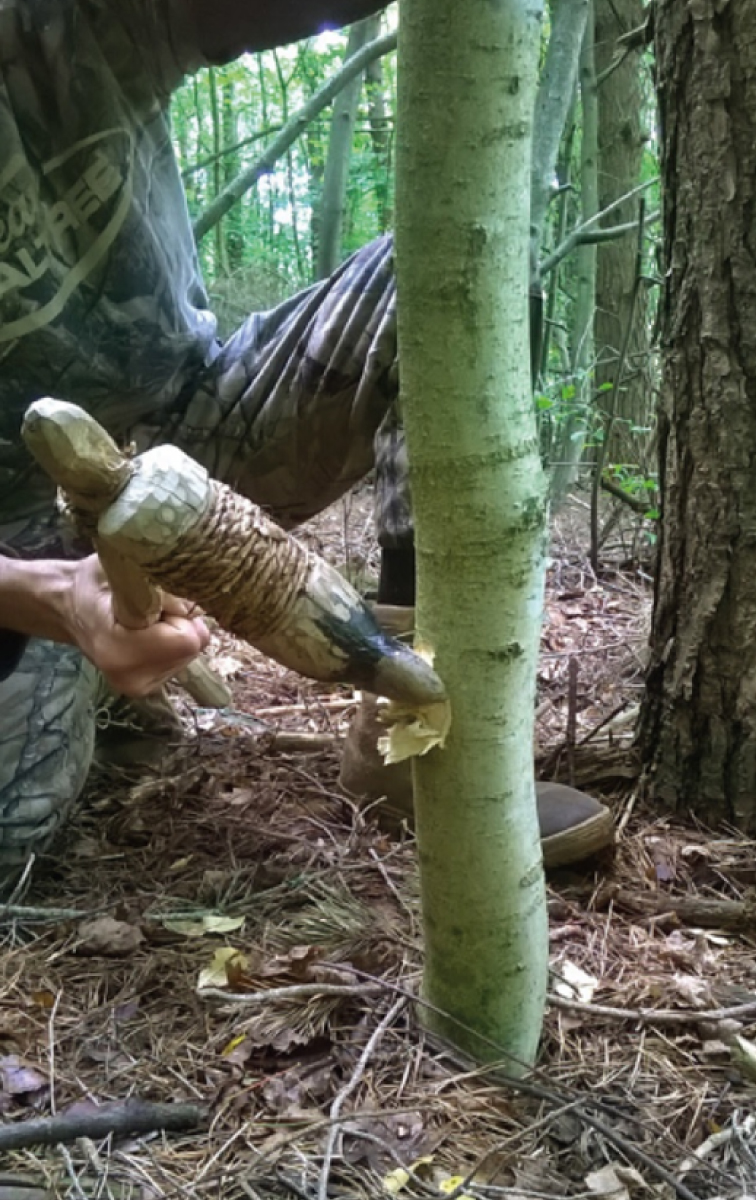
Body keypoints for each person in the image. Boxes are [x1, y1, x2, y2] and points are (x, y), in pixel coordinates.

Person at [0, 0, 612, 882]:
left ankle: (414, 749)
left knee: (447, 271)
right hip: (16, 536)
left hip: (197, 417)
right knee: (14, 844)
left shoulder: (71, 23)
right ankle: (93, 676)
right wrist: (54, 597)